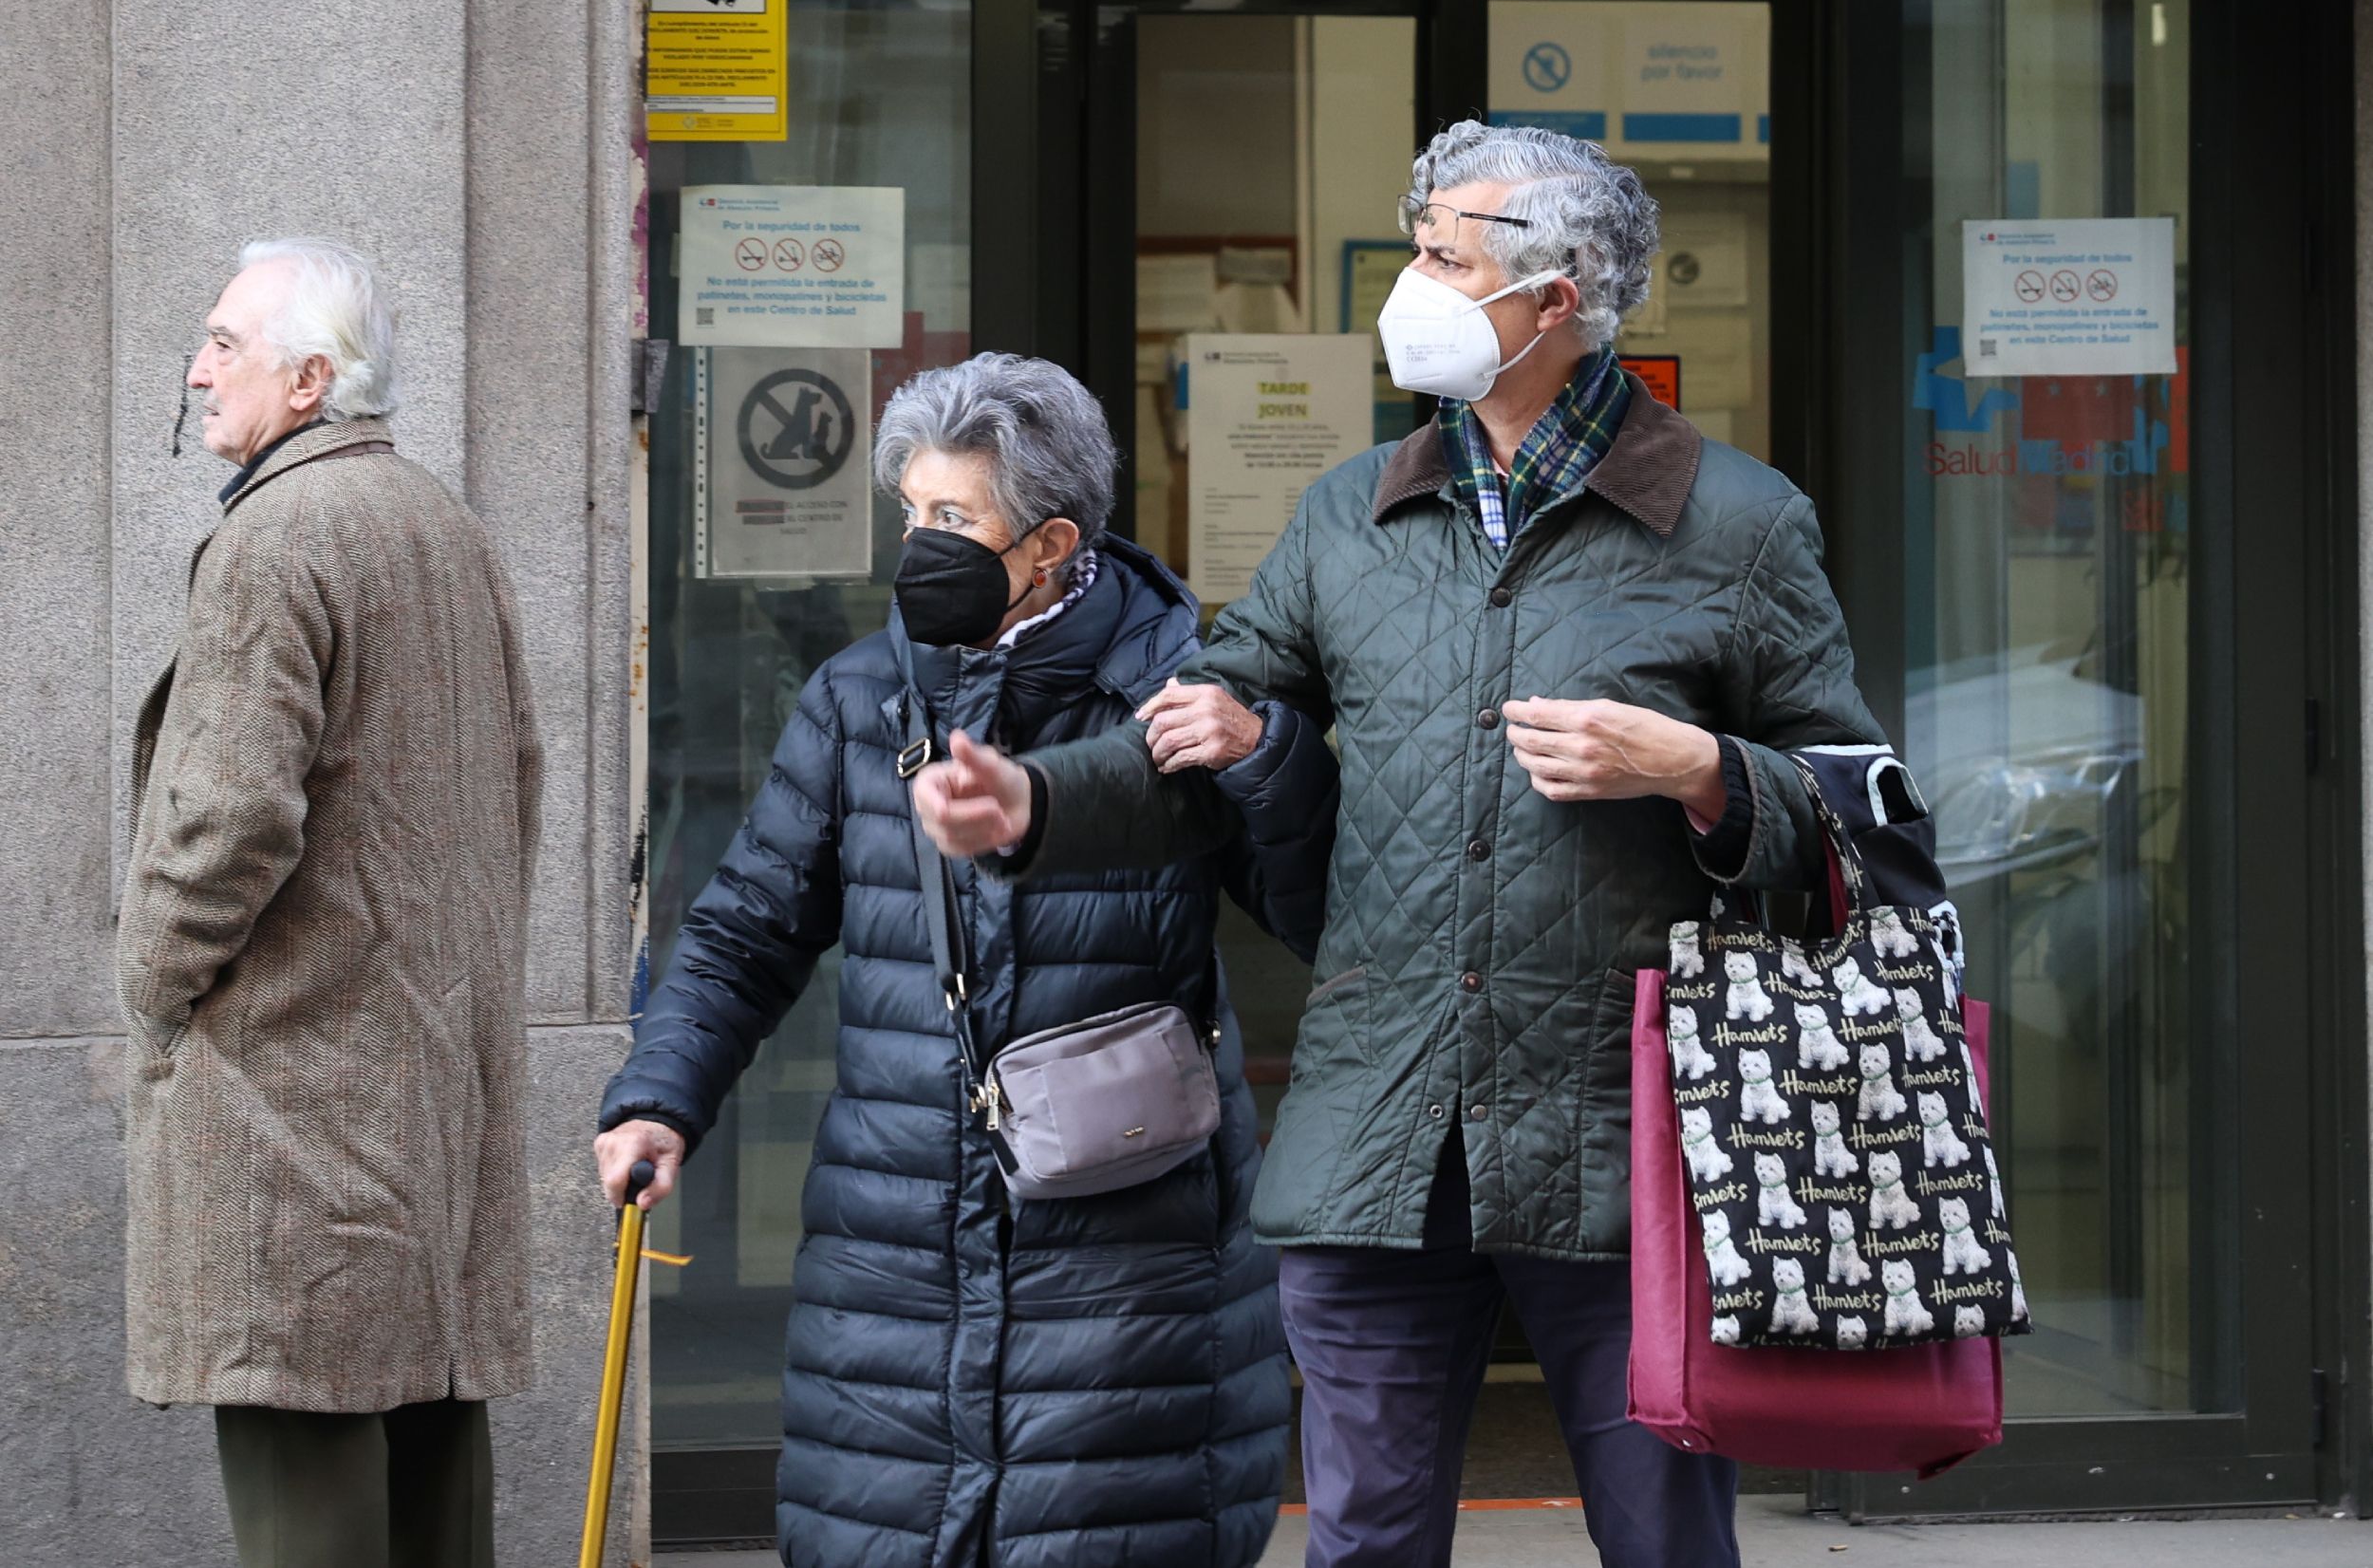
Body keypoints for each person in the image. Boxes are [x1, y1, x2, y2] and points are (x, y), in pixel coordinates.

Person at [910, 121, 1888, 1568]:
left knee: (1665, 1539)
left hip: (1626, 1146)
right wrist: (1038, 804)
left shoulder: (1738, 524)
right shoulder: (1348, 515)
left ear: (1556, 298)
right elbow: (1203, 729)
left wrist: (1697, 770)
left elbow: (1862, 823)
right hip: (1381, 1132)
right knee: (1363, 1538)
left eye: (1445, 257)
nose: (1411, 284)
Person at [596, 353, 1333, 1568]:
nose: (919, 544)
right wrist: (658, 1096)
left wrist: (1267, 761)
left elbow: (1321, 916)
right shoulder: (859, 700)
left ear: (1050, 545)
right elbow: (745, 928)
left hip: (1128, 1258)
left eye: (952, 516)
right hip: (896, 1239)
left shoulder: (1179, 697)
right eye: (910, 513)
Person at [117, 237, 542, 1568]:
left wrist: (153, 988)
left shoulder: (277, 534)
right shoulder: (441, 525)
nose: (197, 372)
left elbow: (226, 819)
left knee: (308, 1483)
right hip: (425, 1096)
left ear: (309, 381)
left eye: (222, 345)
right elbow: (520, 776)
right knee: (431, 1489)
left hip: (289, 1113)